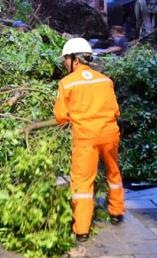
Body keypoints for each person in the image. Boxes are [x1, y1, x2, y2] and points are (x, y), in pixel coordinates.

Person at [53, 38, 124, 243]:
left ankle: (82, 229)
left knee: (83, 182)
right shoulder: (105, 80)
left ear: (75, 59)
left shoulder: (67, 83)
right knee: (113, 172)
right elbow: (116, 110)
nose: (65, 63)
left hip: (85, 138)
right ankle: (116, 212)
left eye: (66, 59)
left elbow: (60, 117)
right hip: (110, 134)